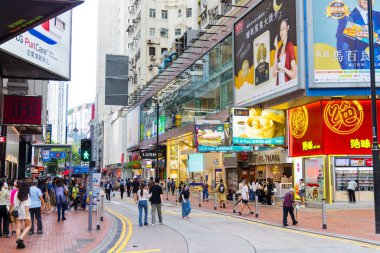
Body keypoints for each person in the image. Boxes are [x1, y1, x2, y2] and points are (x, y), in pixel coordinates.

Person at [336, 0, 380, 70]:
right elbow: (343, 51)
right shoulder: (346, 19)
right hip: (359, 73)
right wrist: (353, 75)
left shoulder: (379, 16)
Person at [272, 18, 297, 86]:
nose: (282, 32)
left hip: (287, 87)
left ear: (287, 28)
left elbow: (294, 75)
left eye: (283, 28)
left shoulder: (290, 46)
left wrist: (284, 69)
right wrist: (276, 49)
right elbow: (274, 73)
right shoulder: (279, 50)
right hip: (279, 88)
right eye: (280, 30)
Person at [14, 181, 32, 249]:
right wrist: (27, 215)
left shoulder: (16, 193)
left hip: (18, 213)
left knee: (18, 227)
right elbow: (27, 206)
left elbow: (14, 203)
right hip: (25, 213)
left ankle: (18, 243)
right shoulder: (26, 195)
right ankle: (20, 239)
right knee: (29, 226)